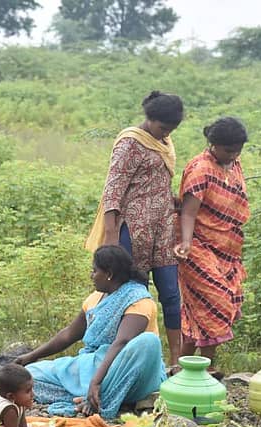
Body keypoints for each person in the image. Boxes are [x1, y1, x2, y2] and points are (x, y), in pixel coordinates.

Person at [85, 90, 184, 371]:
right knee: (133, 296)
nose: (166, 133)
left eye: (171, 129)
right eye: (163, 127)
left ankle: (175, 361)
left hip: (162, 230)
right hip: (133, 229)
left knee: (170, 294)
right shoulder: (130, 143)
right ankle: (130, 361)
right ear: (149, 119)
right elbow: (113, 190)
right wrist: (112, 239)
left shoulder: (163, 141)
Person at [15, 245, 166, 419]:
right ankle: (88, 396)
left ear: (109, 274)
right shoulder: (96, 298)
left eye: (94, 271)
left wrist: (96, 382)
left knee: (148, 341)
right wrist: (31, 356)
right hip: (92, 363)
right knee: (30, 376)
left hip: (125, 369)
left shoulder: (138, 300)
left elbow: (121, 342)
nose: (91, 276)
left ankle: (101, 397)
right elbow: (70, 334)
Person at [174, 117, 250, 376]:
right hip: (198, 247)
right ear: (213, 145)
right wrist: (185, 242)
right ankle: (202, 371)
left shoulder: (234, 164)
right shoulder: (200, 169)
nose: (234, 154)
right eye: (229, 150)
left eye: (238, 149)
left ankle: (182, 371)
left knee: (200, 314)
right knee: (216, 303)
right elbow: (188, 213)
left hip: (227, 250)